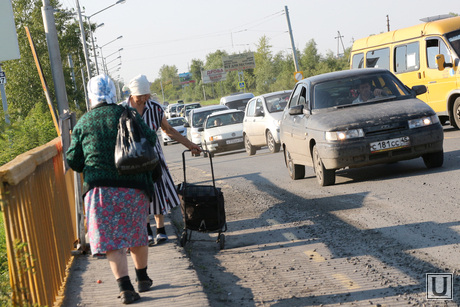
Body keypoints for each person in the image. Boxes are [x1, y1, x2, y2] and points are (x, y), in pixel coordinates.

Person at [66, 74, 156, 304]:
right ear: (113, 93)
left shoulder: (84, 123)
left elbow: (74, 161)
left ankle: (125, 287)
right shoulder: (127, 113)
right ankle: (143, 278)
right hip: (133, 187)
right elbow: (151, 138)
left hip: (100, 192)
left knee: (113, 240)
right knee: (137, 232)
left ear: (91, 95)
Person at [125, 75, 201, 246]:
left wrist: (190, 145)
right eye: (141, 96)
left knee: (158, 190)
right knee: (140, 193)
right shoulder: (123, 110)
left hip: (154, 158)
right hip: (132, 159)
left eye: (147, 95)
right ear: (132, 95)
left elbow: (168, 130)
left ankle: (160, 229)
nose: (144, 99)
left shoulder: (155, 108)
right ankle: (146, 230)